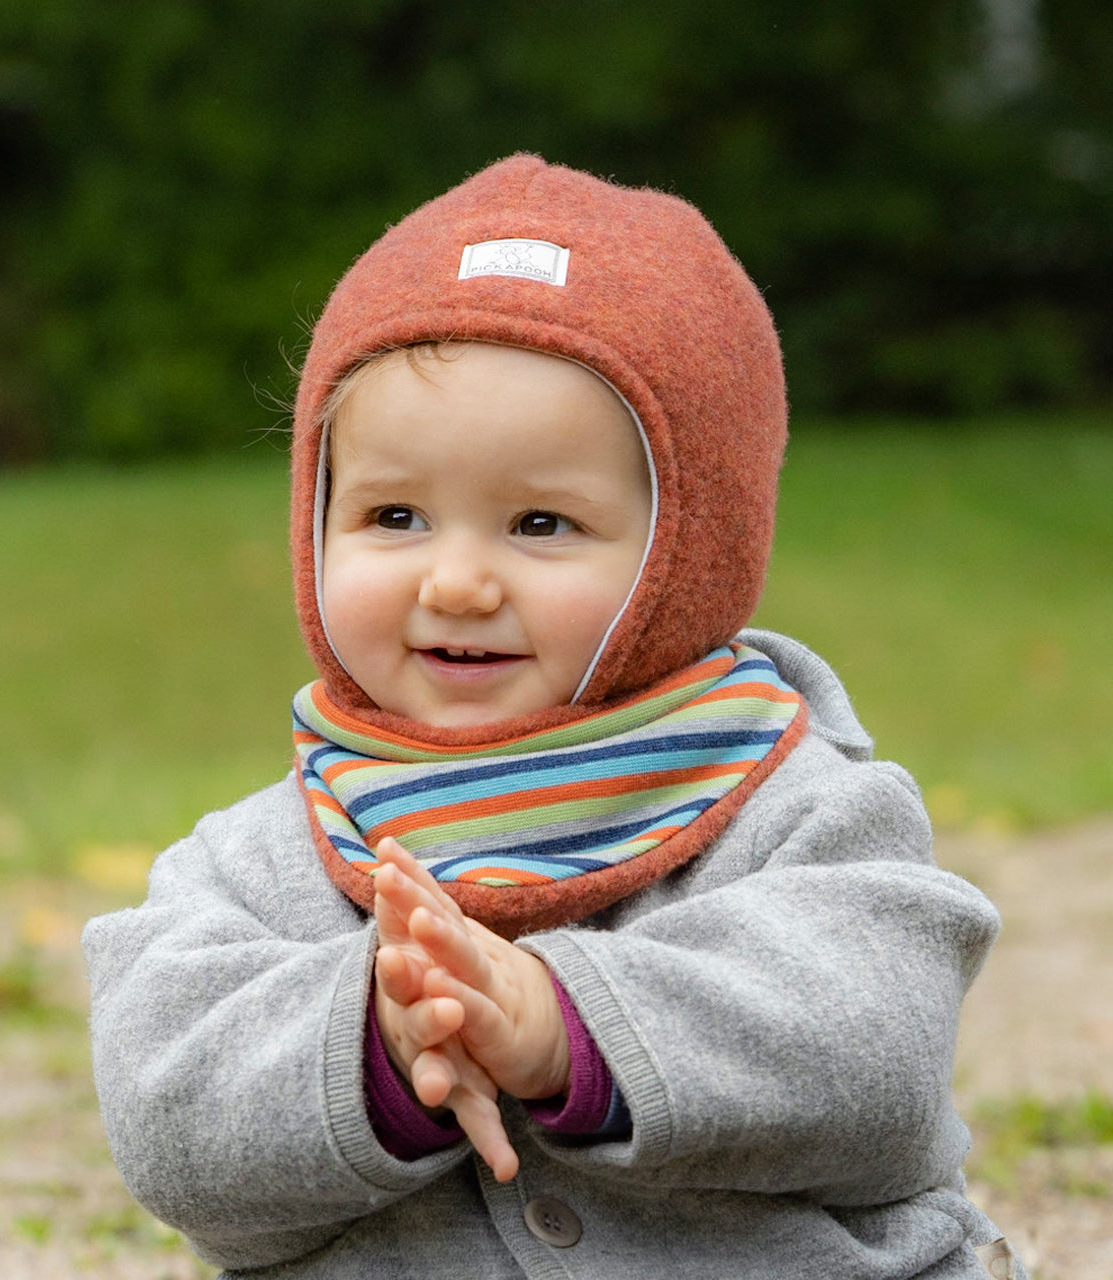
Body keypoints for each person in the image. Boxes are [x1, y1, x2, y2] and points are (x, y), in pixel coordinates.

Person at [83, 155, 1026, 1279]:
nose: (458, 581)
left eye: (538, 522)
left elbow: (872, 1051)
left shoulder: (798, 802)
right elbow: (166, 1107)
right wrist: (383, 1048)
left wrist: (559, 1023)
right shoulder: (259, 861)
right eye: (394, 514)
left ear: (688, 547)